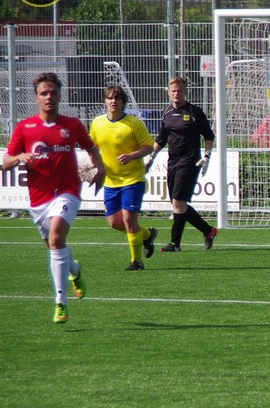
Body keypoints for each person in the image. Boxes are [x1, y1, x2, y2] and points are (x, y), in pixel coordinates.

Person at [2, 72, 105, 323]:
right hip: (39, 198)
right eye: (44, 93)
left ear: (60, 96)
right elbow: (5, 162)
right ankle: (75, 270)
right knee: (53, 245)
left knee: (57, 238)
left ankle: (60, 303)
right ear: (36, 98)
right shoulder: (24, 127)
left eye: (53, 93)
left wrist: (100, 169)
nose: (49, 97)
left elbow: (92, 148)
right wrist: (19, 157)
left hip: (68, 191)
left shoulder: (72, 125)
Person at [145, 76, 218, 252]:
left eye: (179, 90)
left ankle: (175, 243)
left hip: (190, 161)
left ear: (185, 92)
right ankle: (208, 231)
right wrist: (151, 156)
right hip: (173, 162)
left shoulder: (194, 112)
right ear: (169, 92)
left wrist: (207, 156)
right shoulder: (166, 113)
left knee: (178, 202)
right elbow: (161, 139)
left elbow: (209, 136)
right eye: (173, 91)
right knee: (179, 204)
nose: (176, 93)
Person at [89, 85, 158, 270]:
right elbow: (93, 146)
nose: (113, 101)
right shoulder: (97, 123)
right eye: (110, 98)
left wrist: (132, 156)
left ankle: (137, 262)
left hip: (133, 179)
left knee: (129, 219)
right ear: (105, 101)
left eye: (117, 98)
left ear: (123, 102)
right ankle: (147, 235)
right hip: (111, 181)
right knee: (115, 223)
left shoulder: (133, 124)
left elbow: (149, 146)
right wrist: (92, 164)